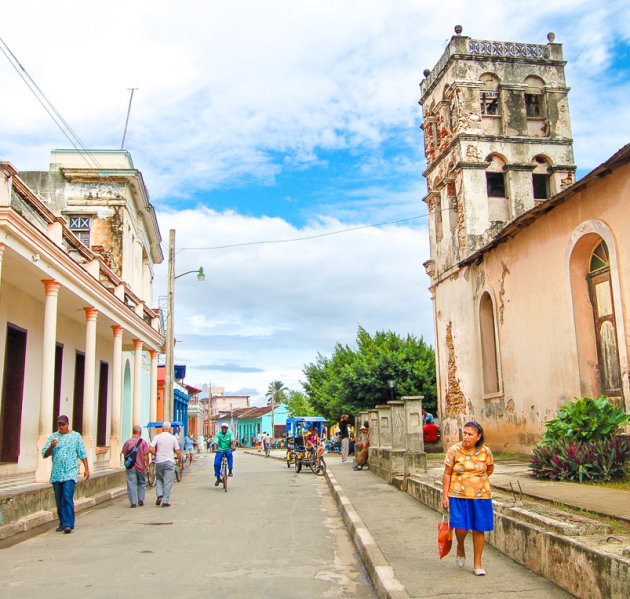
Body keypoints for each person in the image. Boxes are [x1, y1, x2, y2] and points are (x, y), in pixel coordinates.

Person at [442, 421, 494, 576]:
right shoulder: (454, 450)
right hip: (458, 495)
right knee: (461, 527)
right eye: (464, 433)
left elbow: (490, 469)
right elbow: (447, 473)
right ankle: (460, 546)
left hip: (481, 496)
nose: (466, 437)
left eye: (470, 434)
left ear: (478, 437)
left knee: (479, 529)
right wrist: (445, 495)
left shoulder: (486, 451)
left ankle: (477, 563)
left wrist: (476, 481)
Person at [41, 414, 89, 533]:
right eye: (59, 425)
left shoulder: (75, 436)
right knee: (59, 499)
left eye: (63, 424)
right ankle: (62, 522)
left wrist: (86, 469)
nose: (61, 427)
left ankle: (68, 523)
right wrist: (51, 447)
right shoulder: (54, 437)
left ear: (68, 424)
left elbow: (82, 453)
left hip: (70, 473)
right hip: (57, 474)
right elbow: (44, 454)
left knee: (67, 497)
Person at [149, 422, 182, 507]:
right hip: (169, 461)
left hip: (159, 461)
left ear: (162, 428)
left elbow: (150, 448)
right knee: (168, 482)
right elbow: (178, 451)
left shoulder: (157, 437)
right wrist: (180, 461)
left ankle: (159, 495)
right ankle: (165, 501)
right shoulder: (173, 438)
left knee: (159, 479)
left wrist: (156, 454)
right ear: (170, 429)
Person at [121, 425, 150, 508]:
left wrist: (127, 463)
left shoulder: (127, 442)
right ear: (140, 432)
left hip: (130, 466)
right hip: (140, 465)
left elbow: (124, 453)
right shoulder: (143, 442)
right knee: (141, 482)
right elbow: (146, 455)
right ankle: (140, 499)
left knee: (131, 483)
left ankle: (133, 502)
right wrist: (147, 465)